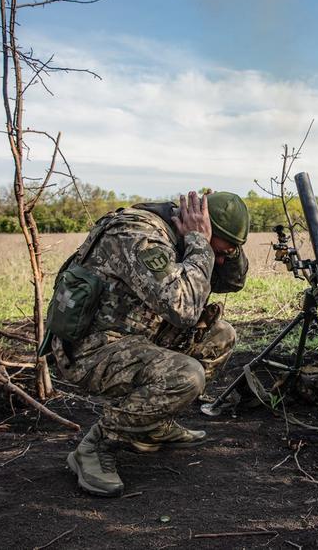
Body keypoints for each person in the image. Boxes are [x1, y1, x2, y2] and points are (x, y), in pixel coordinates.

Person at [49, 190, 249, 497]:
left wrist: (223, 251)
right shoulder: (139, 235)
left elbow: (231, 282)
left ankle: (152, 423)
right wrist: (198, 242)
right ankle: (95, 446)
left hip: (133, 335)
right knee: (185, 376)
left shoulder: (183, 236)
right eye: (218, 252)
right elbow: (184, 308)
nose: (218, 260)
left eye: (225, 255)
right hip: (91, 349)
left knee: (219, 336)